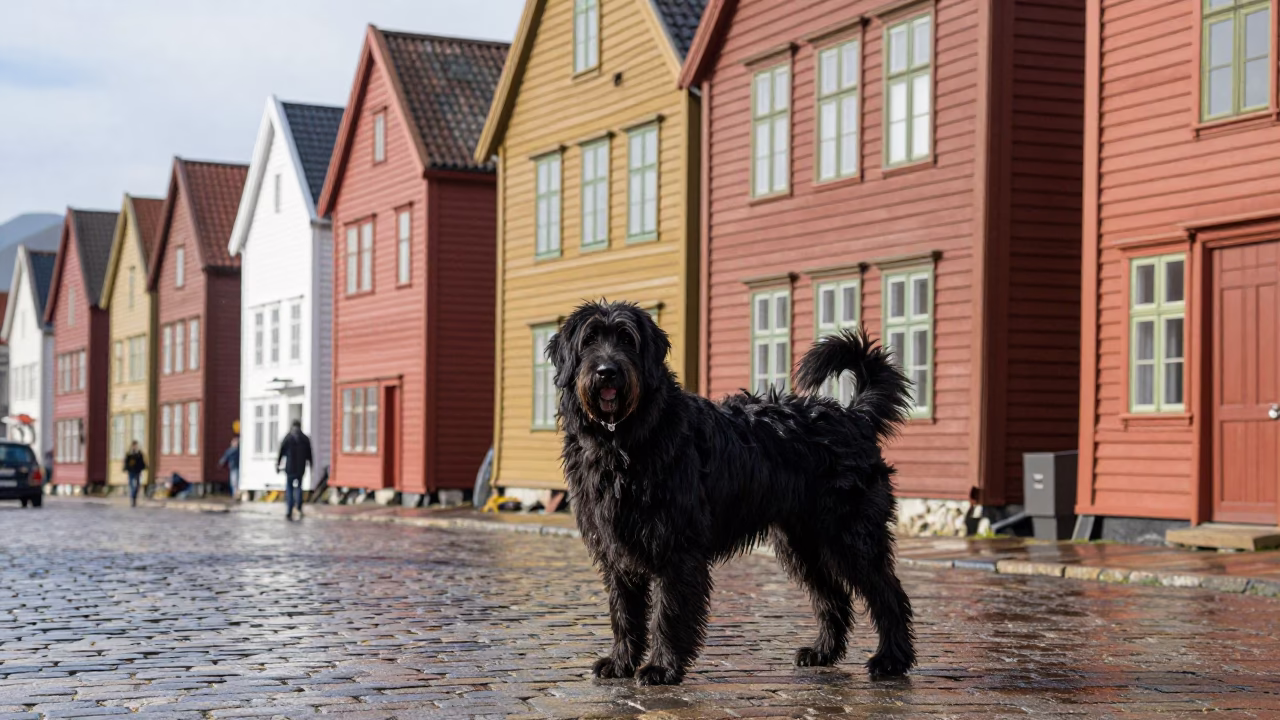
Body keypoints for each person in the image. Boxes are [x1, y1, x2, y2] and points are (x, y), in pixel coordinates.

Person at [277, 421, 312, 521]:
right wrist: (311, 465)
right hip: (301, 467)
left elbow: (281, 451)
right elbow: (309, 454)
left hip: (290, 467)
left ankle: (289, 509)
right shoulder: (304, 438)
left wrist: (278, 464)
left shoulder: (288, 437)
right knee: (299, 487)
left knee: (289, 488)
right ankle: (299, 507)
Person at [123, 441, 147, 507]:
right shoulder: (129, 454)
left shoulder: (139, 454)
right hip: (131, 472)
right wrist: (126, 468)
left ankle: (134, 497)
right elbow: (126, 462)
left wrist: (144, 467)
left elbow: (142, 462)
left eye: (136, 446)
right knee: (132, 486)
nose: (135, 447)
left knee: (137, 486)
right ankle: (133, 499)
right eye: (134, 445)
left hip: (137, 471)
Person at [218, 436, 241, 502]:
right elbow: (225, 458)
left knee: (235, 482)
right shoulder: (235, 450)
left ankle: (236, 494)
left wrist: (221, 463)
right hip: (234, 468)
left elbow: (225, 457)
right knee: (234, 482)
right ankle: (235, 494)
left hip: (236, 468)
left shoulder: (233, 450)